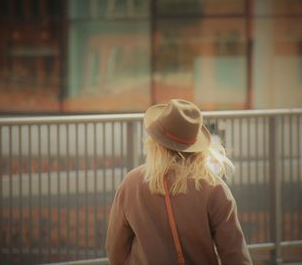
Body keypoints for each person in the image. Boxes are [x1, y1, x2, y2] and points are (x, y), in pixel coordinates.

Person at [106, 99, 252, 265]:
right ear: (197, 147)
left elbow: (115, 249)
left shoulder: (131, 183)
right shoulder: (214, 189)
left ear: (154, 143)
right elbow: (235, 256)